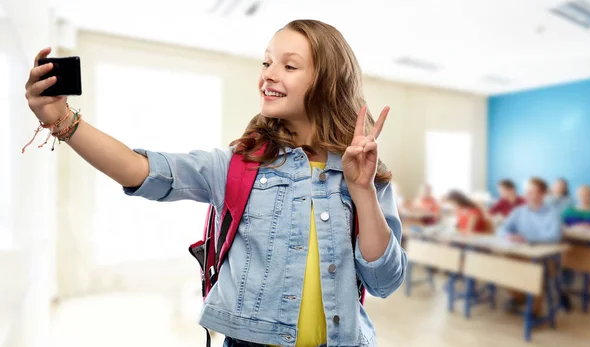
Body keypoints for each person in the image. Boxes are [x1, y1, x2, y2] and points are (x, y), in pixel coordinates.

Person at [24, 20, 407, 347]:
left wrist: (361, 190)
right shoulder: (239, 164)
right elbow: (142, 170)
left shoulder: (364, 174)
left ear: (327, 81)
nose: (268, 74)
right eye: (267, 61)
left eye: (289, 66)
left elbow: (384, 281)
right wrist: (63, 122)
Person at [498, 177, 562, 316]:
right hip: (520, 252)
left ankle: (534, 310)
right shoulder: (519, 211)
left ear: (543, 194)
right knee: (498, 265)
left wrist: (526, 239)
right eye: (526, 191)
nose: (527, 194)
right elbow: (502, 229)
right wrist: (508, 236)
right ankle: (519, 297)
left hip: (545, 258)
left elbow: (555, 236)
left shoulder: (552, 212)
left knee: (535, 271)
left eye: (532, 191)